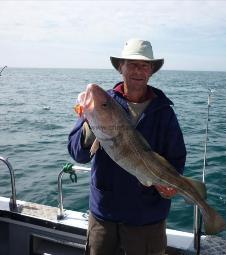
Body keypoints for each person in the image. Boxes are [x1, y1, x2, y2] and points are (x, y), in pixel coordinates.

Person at [68, 39, 186, 255]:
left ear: (151, 71)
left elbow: (177, 158)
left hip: (147, 219)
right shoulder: (102, 103)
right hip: (105, 216)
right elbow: (78, 154)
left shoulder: (164, 111)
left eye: (144, 65)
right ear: (120, 67)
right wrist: (89, 127)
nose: (138, 71)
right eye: (132, 64)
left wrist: (170, 185)